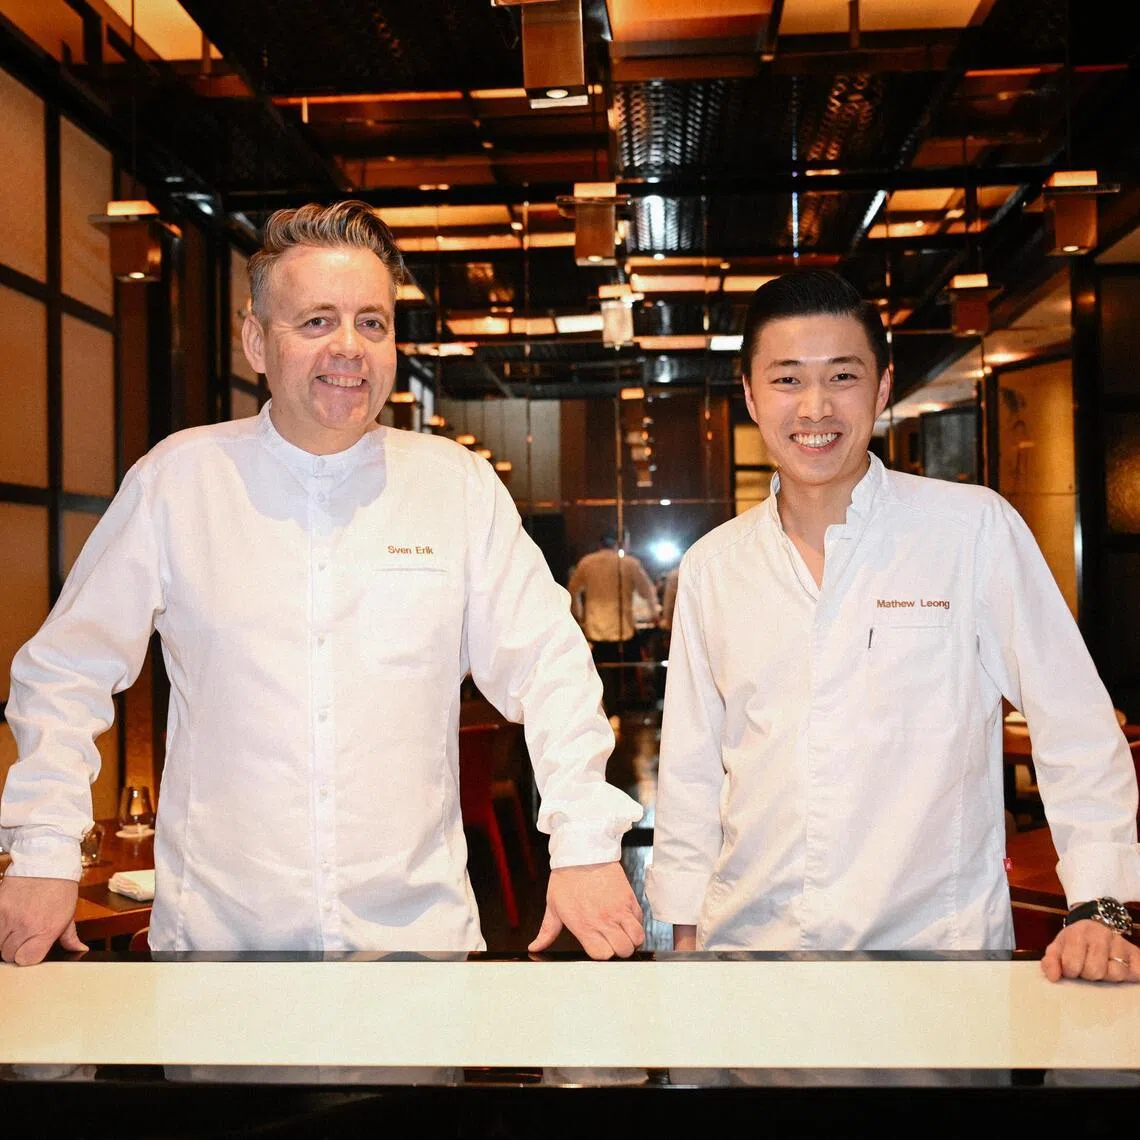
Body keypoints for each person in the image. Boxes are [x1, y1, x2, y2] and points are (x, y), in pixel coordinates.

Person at [0, 201, 645, 965]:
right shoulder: (180, 480)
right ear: (255, 341)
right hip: (220, 949)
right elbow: (65, 670)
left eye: (372, 323)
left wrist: (583, 840)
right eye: (316, 322)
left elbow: (550, 670)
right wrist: (43, 848)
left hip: (416, 953)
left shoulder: (456, 487)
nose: (350, 347)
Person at [646, 268, 1140, 983]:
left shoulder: (969, 531)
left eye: (841, 376)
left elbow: (1074, 721)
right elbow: (690, 770)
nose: (815, 406)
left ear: (880, 389)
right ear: (750, 394)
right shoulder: (714, 567)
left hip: (939, 955)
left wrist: (1100, 902)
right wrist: (685, 935)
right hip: (752, 953)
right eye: (787, 379)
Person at [567, 533, 659, 717]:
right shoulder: (629, 563)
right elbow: (647, 591)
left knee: (598, 674)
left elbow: (572, 590)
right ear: (618, 545)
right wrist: (654, 614)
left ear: (599, 544)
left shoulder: (587, 562)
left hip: (595, 629)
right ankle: (620, 712)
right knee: (623, 674)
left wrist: (577, 616)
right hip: (622, 629)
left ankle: (604, 713)